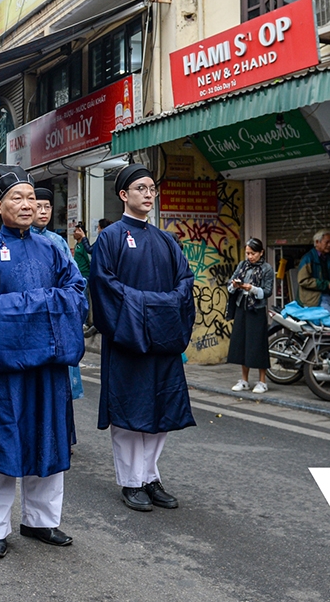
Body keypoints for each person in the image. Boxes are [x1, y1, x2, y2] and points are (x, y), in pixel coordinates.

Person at [0, 163, 87, 559]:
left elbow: (77, 293)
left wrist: (26, 307)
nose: (28, 204)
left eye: (32, 197)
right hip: (6, 368)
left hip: (48, 367)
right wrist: (43, 305)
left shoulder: (54, 247)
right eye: (18, 198)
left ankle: (41, 521)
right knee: (2, 445)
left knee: (47, 443)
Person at [89, 164, 197, 513]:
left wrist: (162, 308)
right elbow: (105, 287)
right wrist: (150, 306)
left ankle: (150, 476)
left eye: (152, 188)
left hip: (163, 339)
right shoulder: (110, 237)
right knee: (129, 411)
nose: (148, 194)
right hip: (128, 338)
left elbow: (185, 281)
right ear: (123, 195)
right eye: (140, 188)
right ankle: (131, 482)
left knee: (160, 409)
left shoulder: (166, 239)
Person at [33, 188, 84, 400]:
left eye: (47, 207)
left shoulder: (58, 241)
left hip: (58, 314)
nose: (43, 212)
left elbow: (75, 280)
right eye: (38, 207)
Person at [228, 238, 275, 393]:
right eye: (247, 253)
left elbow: (267, 292)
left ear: (261, 252)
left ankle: (262, 381)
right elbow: (230, 284)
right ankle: (244, 380)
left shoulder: (267, 269)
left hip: (257, 309)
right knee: (242, 343)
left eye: (253, 253)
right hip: (242, 307)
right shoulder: (243, 265)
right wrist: (235, 285)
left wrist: (252, 289)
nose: (250, 256)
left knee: (258, 344)